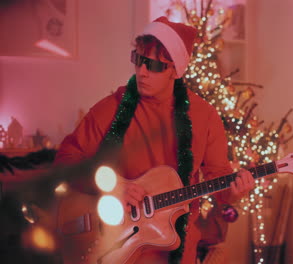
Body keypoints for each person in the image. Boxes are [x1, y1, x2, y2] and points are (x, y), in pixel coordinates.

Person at [54, 16, 254, 263]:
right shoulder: (110, 109)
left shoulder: (204, 116)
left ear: (175, 70)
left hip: (177, 250)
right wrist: (111, 186)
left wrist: (234, 193)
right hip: (113, 247)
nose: (142, 72)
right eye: (138, 60)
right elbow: (66, 161)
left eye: (154, 65)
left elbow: (219, 181)